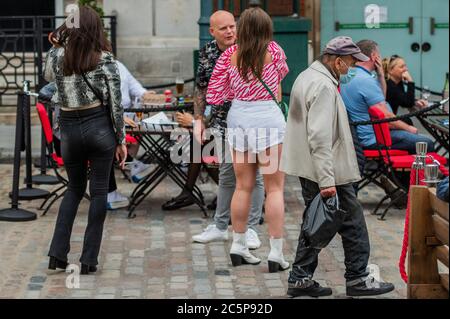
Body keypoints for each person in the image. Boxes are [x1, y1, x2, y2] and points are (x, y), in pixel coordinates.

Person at [281, 36, 395, 297]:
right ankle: (357, 278)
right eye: (351, 63)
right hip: (327, 171)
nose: (352, 68)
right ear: (337, 60)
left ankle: (300, 278)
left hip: (314, 168)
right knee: (352, 225)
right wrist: (327, 181)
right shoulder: (322, 85)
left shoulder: (309, 76)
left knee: (318, 222)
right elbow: (319, 137)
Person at [44, 6, 127, 275]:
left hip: (69, 130)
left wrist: (56, 43)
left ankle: (57, 254)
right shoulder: (105, 59)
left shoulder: (57, 57)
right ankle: (89, 260)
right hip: (99, 127)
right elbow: (116, 105)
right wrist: (121, 139)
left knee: (74, 190)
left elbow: (47, 77)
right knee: (99, 192)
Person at [207, 7, 288, 271]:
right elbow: (282, 74)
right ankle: (276, 253)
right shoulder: (274, 51)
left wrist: (238, 90)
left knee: (242, 187)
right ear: (266, 29)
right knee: (274, 188)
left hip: (239, 118)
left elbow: (215, 96)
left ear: (241, 29)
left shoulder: (230, 54)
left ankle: (238, 246)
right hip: (267, 117)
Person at [189, 10, 264, 249]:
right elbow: (201, 87)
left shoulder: (250, 48)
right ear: (213, 31)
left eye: (233, 26)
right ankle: (221, 227)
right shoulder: (208, 52)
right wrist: (199, 119)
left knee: (255, 175)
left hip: (251, 119)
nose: (230, 31)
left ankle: (251, 229)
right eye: (224, 28)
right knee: (227, 173)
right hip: (223, 121)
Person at [341, 40, 435, 155]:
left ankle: (402, 171)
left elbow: (382, 100)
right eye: (378, 55)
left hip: (361, 136)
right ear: (374, 56)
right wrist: (409, 128)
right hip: (374, 139)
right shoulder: (366, 80)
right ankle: (408, 172)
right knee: (427, 143)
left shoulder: (350, 75)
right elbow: (385, 115)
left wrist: (380, 74)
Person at [107, 61, 156, 210]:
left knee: (138, 125)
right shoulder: (91, 67)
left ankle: (133, 164)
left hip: (127, 114)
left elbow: (134, 85)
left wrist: (144, 93)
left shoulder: (118, 65)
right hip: (108, 119)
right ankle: (133, 165)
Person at [383, 55, 428, 126]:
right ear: (390, 70)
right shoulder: (389, 85)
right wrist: (410, 81)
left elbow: (403, 101)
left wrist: (415, 102)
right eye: (401, 67)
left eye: (405, 66)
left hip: (390, 121)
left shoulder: (397, 82)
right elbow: (408, 103)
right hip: (386, 124)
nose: (406, 69)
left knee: (408, 121)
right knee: (408, 122)